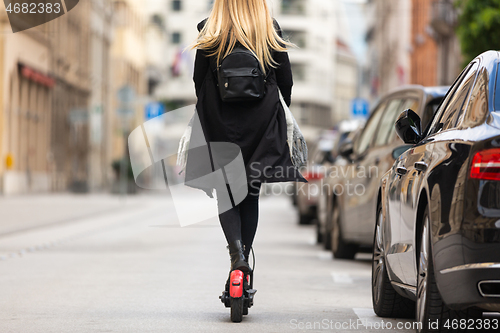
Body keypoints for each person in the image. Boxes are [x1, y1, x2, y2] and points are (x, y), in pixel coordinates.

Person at [188, 0, 307, 291]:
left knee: (226, 193)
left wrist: (211, 110)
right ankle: (244, 269)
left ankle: (236, 257)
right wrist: (273, 116)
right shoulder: (269, 30)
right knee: (250, 192)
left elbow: (198, 80)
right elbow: (286, 82)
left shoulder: (210, 30)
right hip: (260, 120)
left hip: (219, 120)